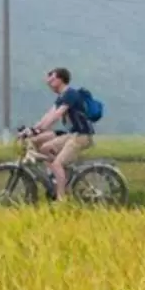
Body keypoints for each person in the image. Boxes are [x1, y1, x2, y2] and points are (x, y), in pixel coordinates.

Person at [20, 67, 96, 200]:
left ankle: (61, 199)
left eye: (52, 77)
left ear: (61, 79)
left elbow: (56, 116)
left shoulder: (71, 94)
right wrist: (32, 129)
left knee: (57, 164)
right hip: (72, 135)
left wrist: (38, 130)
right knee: (44, 148)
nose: (48, 81)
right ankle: (59, 177)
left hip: (81, 136)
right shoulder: (62, 96)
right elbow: (48, 115)